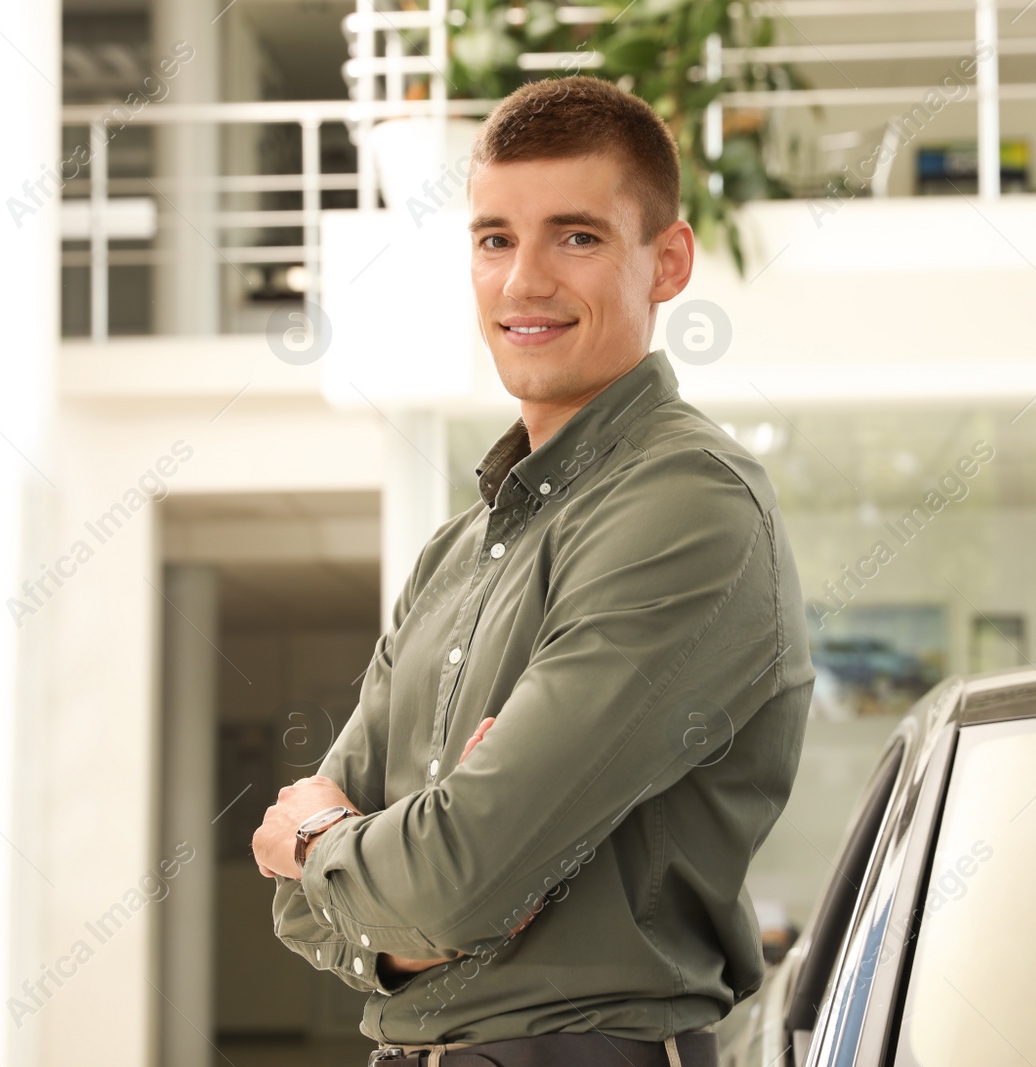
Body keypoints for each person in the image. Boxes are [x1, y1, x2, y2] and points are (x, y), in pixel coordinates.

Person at [251, 74, 815, 1067]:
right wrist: (393, 880)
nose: (523, 282)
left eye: (578, 235)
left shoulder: (686, 505)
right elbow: (304, 919)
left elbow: (453, 881)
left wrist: (320, 844)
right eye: (493, 238)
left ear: (667, 261)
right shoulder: (456, 550)